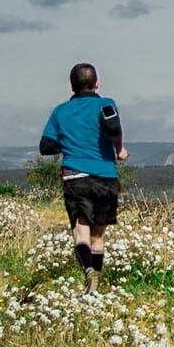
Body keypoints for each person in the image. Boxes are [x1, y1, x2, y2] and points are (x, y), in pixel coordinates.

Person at [38, 62, 128, 294]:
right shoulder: (106, 104)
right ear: (97, 83)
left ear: (71, 85)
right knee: (98, 235)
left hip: (75, 177)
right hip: (105, 176)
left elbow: (46, 147)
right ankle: (95, 286)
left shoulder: (60, 112)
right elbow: (114, 127)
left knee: (81, 231)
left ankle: (87, 270)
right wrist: (119, 149)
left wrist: (67, 144)